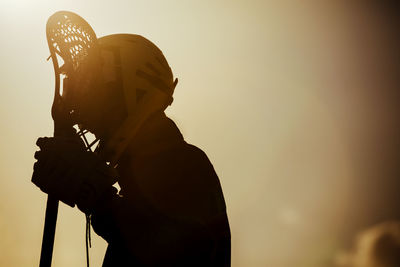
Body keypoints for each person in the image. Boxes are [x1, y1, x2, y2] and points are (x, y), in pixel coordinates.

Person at [32, 12, 230, 266]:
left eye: (97, 100)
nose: (88, 124)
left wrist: (98, 198)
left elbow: (180, 250)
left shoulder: (184, 163)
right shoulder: (137, 179)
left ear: (132, 91)